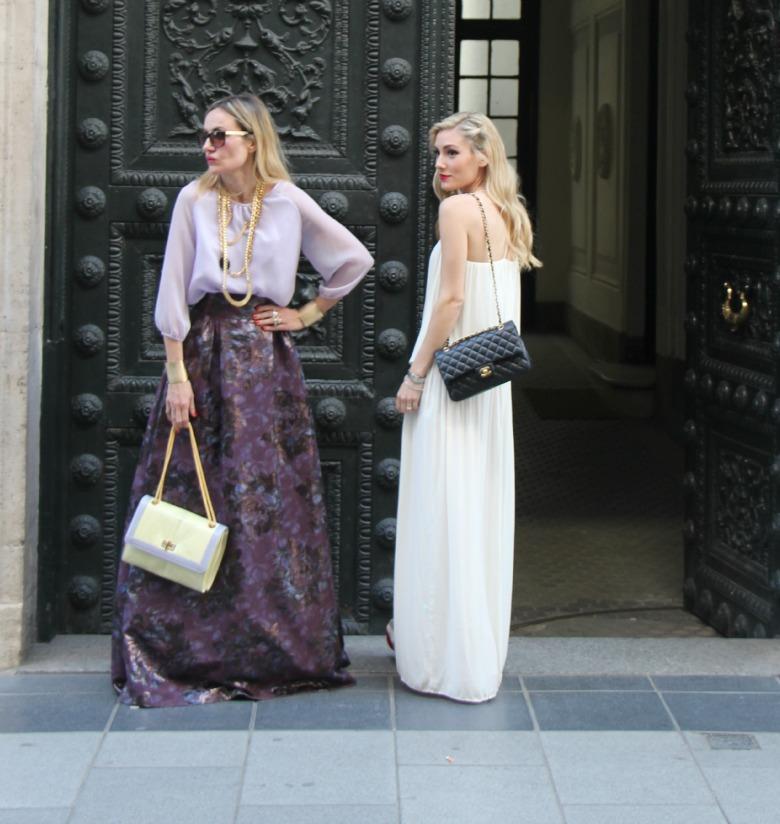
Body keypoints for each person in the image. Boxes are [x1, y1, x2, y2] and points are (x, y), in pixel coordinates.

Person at [112, 93, 374, 707]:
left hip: (263, 363)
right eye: (204, 137)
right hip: (200, 355)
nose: (209, 146)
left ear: (251, 141)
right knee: (189, 487)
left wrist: (306, 313)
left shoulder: (284, 200)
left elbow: (353, 259)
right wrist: (176, 375)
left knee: (264, 494)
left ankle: (268, 643)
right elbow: (173, 287)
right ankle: (182, 648)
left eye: (220, 136)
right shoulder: (193, 199)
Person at [391, 112, 540, 702]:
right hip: (489, 389)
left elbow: (451, 301)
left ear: (483, 156)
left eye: (452, 153)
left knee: (441, 506)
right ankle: (469, 649)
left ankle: (437, 654)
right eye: (436, 156)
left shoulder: (457, 211)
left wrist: (415, 373)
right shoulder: (508, 214)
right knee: (473, 511)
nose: (441, 165)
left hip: (454, 383)